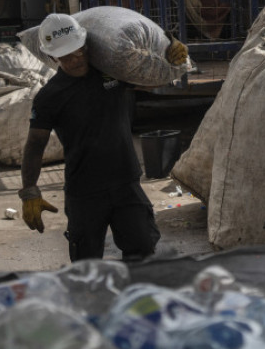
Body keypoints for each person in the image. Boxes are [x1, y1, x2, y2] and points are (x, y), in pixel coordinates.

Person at [18, 13, 190, 261]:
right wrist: (29, 191)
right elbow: (35, 144)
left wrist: (171, 56)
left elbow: (152, 79)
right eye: (66, 56)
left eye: (79, 50)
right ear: (52, 57)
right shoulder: (50, 97)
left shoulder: (113, 71)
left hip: (126, 182)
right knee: (87, 263)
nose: (76, 59)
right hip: (84, 191)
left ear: (86, 43)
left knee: (142, 251)